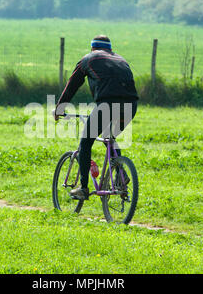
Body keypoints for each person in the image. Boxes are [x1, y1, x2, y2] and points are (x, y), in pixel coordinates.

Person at [54, 35, 139, 200]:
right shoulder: (121, 60)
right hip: (131, 106)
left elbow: (72, 85)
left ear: (93, 48)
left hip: (107, 104)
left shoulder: (88, 59)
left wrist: (59, 108)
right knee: (110, 137)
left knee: (86, 142)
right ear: (110, 49)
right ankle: (120, 175)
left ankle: (83, 188)